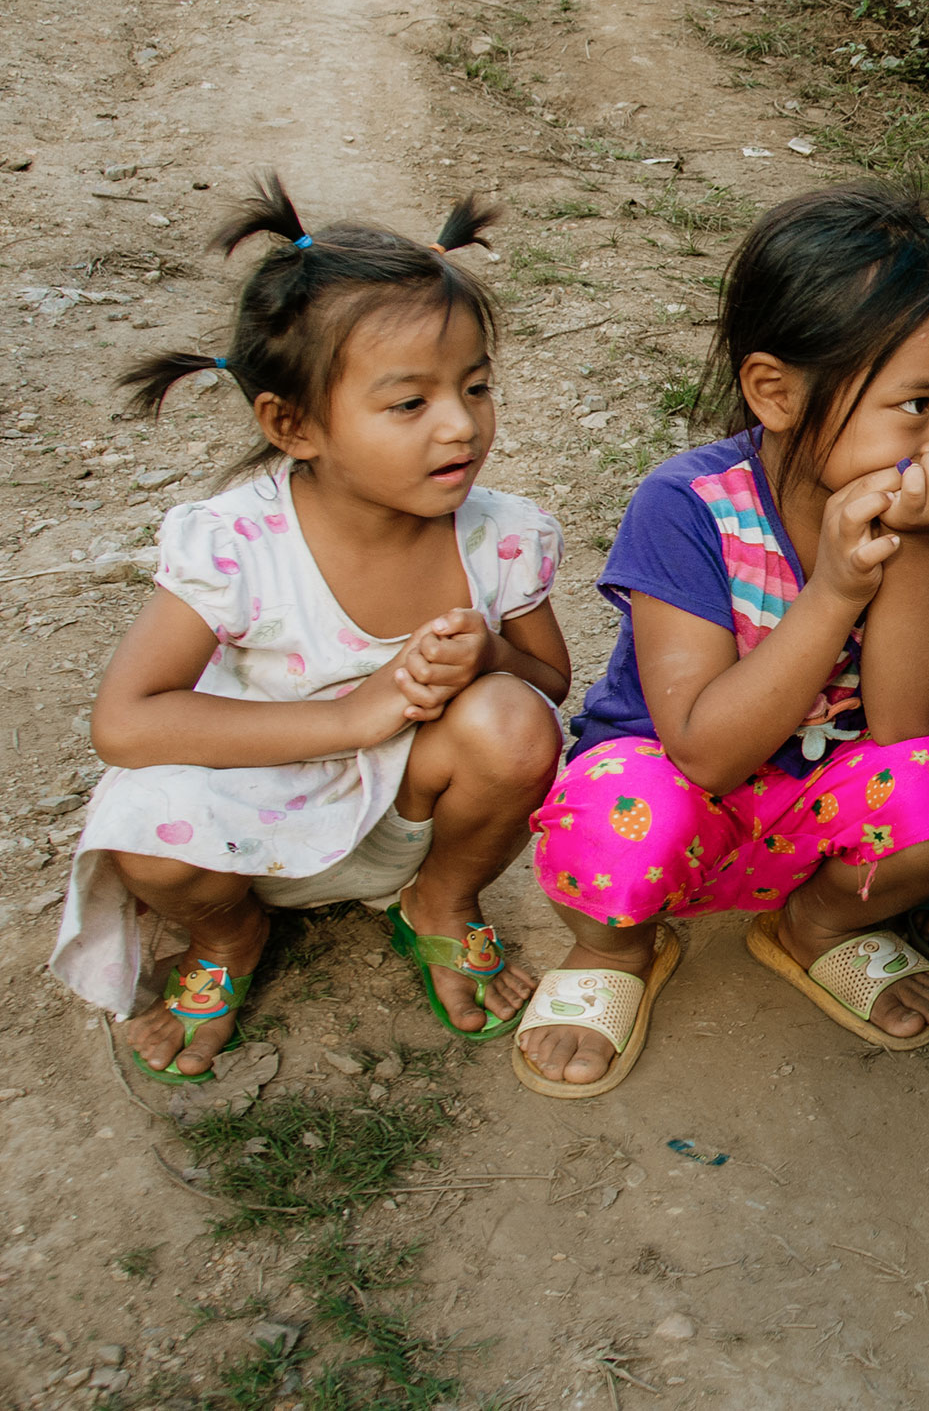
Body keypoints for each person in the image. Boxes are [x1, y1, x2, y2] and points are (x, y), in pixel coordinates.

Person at [53, 176, 571, 1082]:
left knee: (518, 723)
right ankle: (229, 935)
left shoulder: (502, 534)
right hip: (245, 822)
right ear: (292, 424)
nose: (462, 423)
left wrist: (492, 654)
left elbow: (550, 681)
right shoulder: (239, 542)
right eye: (410, 403)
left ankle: (440, 902)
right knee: (140, 820)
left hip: (409, 807)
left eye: (476, 385)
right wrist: (351, 716)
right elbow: (126, 724)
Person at [516, 186, 929, 1097]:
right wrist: (834, 591)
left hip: (821, 804)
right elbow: (699, 750)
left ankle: (813, 926)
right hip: (676, 793)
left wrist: (921, 546)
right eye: (917, 403)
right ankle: (613, 948)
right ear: (775, 391)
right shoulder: (687, 507)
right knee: (620, 818)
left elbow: (903, 730)